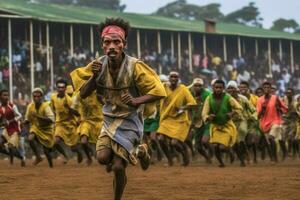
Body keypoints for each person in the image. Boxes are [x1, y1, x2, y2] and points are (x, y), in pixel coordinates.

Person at [79, 18, 166, 200]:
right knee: (103, 158)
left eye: (116, 42)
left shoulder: (136, 66)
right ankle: (140, 150)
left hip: (131, 120)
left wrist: (136, 100)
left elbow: (159, 91)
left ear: (124, 44)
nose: (111, 46)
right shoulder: (97, 65)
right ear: (102, 45)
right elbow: (83, 94)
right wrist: (94, 78)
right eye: (107, 42)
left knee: (118, 167)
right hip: (109, 119)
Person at [157, 71, 197, 166]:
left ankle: (185, 154)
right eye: (172, 77)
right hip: (166, 118)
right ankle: (170, 159)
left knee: (174, 143)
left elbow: (192, 103)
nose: (174, 78)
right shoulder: (163, 87)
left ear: (178, 79)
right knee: (161, 139)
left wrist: (183, 108)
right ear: (169, 78)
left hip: (180, 120)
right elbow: (154, 93)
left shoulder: (183, 89)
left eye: (176, 77)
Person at [202, 79, 242, 167]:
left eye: (220, 88)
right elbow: (204, 113)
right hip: (215, 126)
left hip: (227, 126)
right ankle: (221, 162)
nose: (218, 89)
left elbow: (239, 108)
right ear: (213, 88)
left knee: (222, 147)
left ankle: (230, 151)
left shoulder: (228, 97)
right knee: (215, 146)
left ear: (223, 88)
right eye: (216, 87)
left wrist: (232, 113)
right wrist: (208, 117)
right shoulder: (209, 98)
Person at [70, 68, 104, 165]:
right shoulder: (78, 95)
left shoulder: (98, 93)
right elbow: (73, 108)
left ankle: (107, 159)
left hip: (100, 121)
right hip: (86, 121)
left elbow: (107, 105)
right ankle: (89, 157)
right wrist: (79, 116)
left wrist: (101, 99)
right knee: (84, 142)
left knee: (103, 144)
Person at [51, 79, 82, 164]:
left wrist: (69, 108)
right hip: (59, 124)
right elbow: (53, 109)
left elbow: (77, 113)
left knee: (73, 148)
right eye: (59, 87)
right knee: (56, 142)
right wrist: (54, 121)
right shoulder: (53, 97)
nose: (60, 89)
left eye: (62, 87)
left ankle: (79, 153)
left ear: (65, 89)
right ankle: (65, 156)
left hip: (70, 124)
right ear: (56, 88)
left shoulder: (69, 100)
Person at [227, 81, 256, 166]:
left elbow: (253, 110)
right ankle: (242, 158)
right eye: (229, 88)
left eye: (232, 88)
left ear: (236, 89)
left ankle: (246, 155)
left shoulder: (243, 98)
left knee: (241, 133)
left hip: (242, 120)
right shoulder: (225, 99)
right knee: (235, 144)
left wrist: (254, 117)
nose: (230, 90)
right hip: (230, 123)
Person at [257, 82, 288, 162]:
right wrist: (262, 110)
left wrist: (280, 109)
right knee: (271, 142)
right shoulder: (260, 100)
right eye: (265, 87)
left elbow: (285, 108)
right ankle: (275, 156)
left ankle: (279, 155)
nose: (266, 89)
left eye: (268, 87)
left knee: (272, 138)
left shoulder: (276, 98)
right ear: (263, 89)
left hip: (276, 121)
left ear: (271, 89)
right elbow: (258, 114)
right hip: (265, 123)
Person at [24, 88, 54, 168]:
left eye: (38, 96)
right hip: (35, 127)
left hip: (46, 130)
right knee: (30, 139)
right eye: (34, 96)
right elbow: (27, 120)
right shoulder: (30, 106)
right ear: (32, 97)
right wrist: (26, 129)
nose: (36, 98)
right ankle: (38, 156)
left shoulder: (46, 106)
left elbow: (51, 120)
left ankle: (51, 166)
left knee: (46, 150)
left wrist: (38, 116)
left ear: (41, 97)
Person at [189, 78, 212, 163]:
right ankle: (207, 158)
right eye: (196, 85)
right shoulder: (190, 93)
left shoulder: (208, 94)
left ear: (202, 87)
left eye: (199, 86)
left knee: (205, 141)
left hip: (207, 121)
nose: (197, 87)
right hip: (197, 122)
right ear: (193, 86)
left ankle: (212, 154)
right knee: (198, 146)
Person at [0, 89, 25, 166]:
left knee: (11, 147)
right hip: (6, 130)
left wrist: (9, 121)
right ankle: (11, 156)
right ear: (0, 96)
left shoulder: (12, 106)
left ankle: (21, 158)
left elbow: (19, 115)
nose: (6, 97)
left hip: (15, 130)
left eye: (7, 95)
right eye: (4, 95)